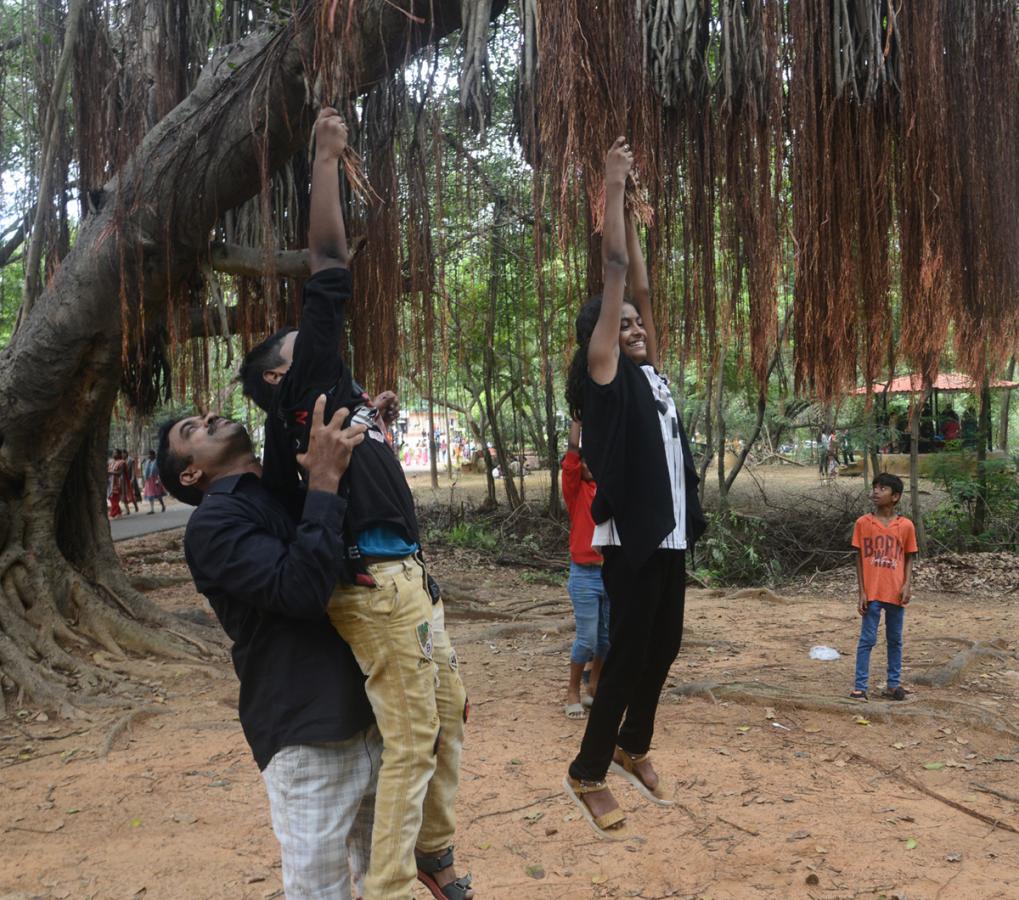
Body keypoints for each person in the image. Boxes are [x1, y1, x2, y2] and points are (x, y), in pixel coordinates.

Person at [237, 109, 471, 900]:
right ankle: (393, 884)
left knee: (448, 715)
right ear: (279, 379)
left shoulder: (330, 401)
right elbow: (329, 261)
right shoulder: (303, 387)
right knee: (411, 738)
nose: (315, 335)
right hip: (374, 583)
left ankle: (432, 851)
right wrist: (325, 162)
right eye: (298, 342)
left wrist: (376, 415)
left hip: (410, 579)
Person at [157, 399, 381, 898]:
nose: (211, 417)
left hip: (374, 712)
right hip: (308, 731)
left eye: (204, 414)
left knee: (387, 879)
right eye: (192, 429)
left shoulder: (277, 493)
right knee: (320, 890)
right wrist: (323, 482)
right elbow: (301, 592)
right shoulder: (213, 524)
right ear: (191, 474)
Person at [561, 139, 706, 837]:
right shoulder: (607, 380)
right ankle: (587, 772)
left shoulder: (651, 373)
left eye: (636, 323)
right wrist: (611, 189)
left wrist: (641, 217)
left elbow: (639, 286)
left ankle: (631, 746)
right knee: (624, 658)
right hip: (632, 539)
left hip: (671, 533)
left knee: (666, 647)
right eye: (620, 326)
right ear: (599, 344)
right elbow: (617, 271)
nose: (635, 325)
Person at [849, 472, 918, 702]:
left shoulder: (906, 525)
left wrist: (907, 584)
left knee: (895, 639)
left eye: (882, 489)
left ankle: (893, 684)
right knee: (867, 639)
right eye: (875, 487)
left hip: (896, 591)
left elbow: (909, 556)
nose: (876, 492)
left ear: (896, 496)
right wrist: (861, 591)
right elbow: (858, 557)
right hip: (872, 592)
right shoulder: (863, 523)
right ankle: (860, 687)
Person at [561, 419, 609, 720]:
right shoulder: (576, 490)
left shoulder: (610, 490)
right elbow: (571, 455)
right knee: (587, 638)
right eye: (585, 460)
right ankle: (572, 690)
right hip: (584, 574)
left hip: (612, 573)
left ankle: (594, 688)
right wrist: (578, 422)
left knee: (607, 639)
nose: (589, 465)